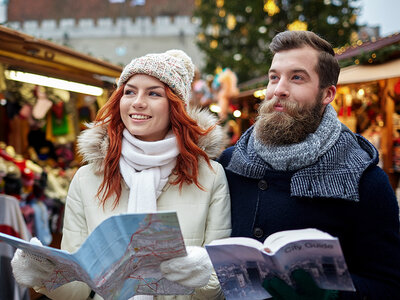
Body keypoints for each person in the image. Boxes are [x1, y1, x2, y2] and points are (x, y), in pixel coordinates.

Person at [11, 49, 231, 300]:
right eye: (129, 91)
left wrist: (202, 275)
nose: (137, 101)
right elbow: (78, 290)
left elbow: (220, 285)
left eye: (153, 93)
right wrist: (44, 277)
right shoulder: (88, 178)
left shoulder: (210, 177)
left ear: (176, 105)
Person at [218, 30, 400, 299]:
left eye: (297, 77)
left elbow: (390, 285)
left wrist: (332, 294)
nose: (279, 89)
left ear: (327, 94)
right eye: (274, 77)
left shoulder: (364, 179)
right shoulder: (231, 162)